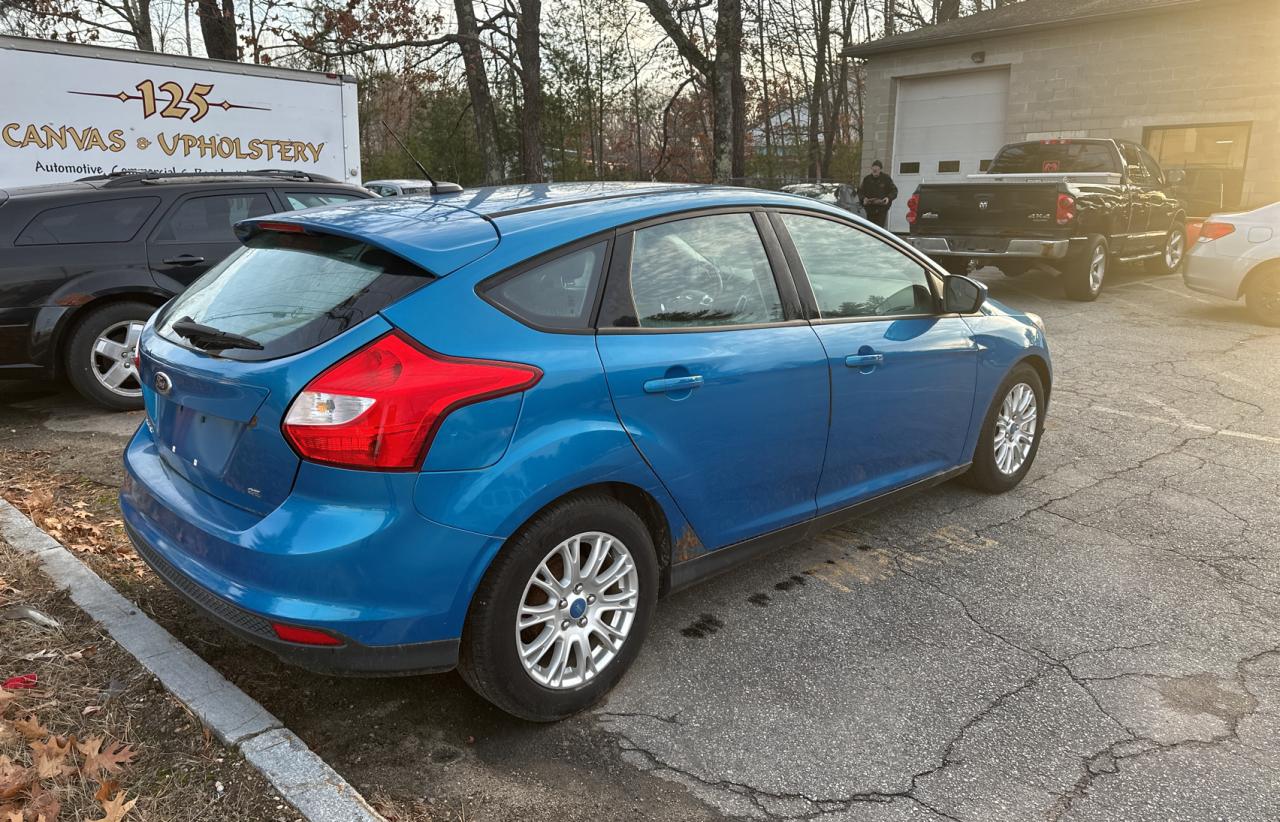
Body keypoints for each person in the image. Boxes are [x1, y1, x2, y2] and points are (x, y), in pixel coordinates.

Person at [858, 160, 898, 229]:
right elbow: (860, 191)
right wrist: (863, 198)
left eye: (877, 169)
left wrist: (888, 198)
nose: (875, 171)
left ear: (880, 169)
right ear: (871, 169)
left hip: (881, 209)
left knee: (879, 229)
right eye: (874, 170)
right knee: (870, 229)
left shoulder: (886, 178)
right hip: (869, 209)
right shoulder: (867, 179)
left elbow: (894, 191)